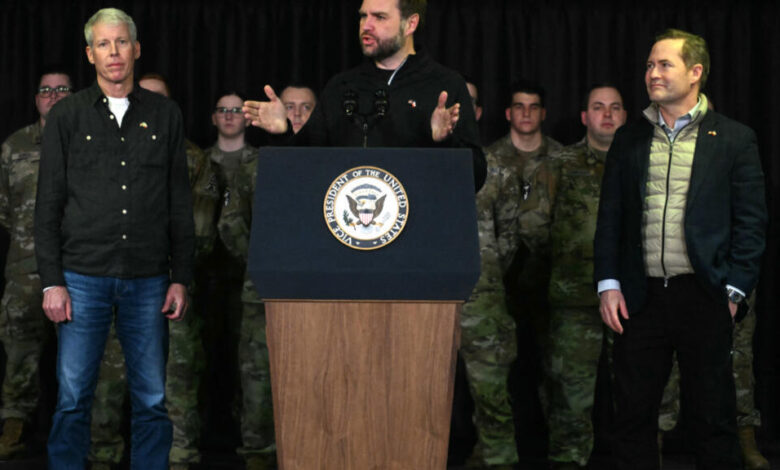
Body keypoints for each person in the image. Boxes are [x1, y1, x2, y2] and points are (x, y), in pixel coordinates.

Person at [594, 28, 766, 469]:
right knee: (632, 417)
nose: (652, 73)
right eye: (650, 65)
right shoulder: (630, 137)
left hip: (705, 294)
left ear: (695, 73)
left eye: (664, 64)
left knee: (713, 418)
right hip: (639, 297)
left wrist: (735, 290)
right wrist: (608, 283)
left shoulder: (734, 139)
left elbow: (751, 223)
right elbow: (611, 215)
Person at [34, 8, 194, 469]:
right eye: (103, 44)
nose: (114, 52)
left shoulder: (165, 114)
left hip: (148, 279)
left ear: (136, 48)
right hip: (82, 277)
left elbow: (179, 204)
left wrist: (180, 277)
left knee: (152, 399)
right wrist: (52, 282)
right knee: (72, 398)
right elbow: (48, 205)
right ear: (90, 54)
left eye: (121, 42)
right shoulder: (67, 116)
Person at [88, 73, 219, 470]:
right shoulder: (103, 149)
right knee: (106, 376)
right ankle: (102, 454)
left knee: (173, 379)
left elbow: (200, 230)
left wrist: (173, 275)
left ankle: (176, 458)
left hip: (164, 286)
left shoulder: (191, 157)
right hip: (109, 281)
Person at [242, 0, 485, 189]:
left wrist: (445, 143)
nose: (366, 26)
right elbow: (304, 170)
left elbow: (476, 177)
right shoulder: (341, 86)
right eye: (362, 16)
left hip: (419, 230)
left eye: (379, 17)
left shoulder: (445, 85)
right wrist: (282, 134)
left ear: (410, 24)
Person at [544, 84, 627, 469]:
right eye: (598, 107)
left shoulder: (642, 161)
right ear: (584, 116)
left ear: (625, 116)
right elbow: (534, 227)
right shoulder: (560, 163)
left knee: (639, 392)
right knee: (570, 397)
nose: (607, 115)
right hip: (573, 298)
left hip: (632, 299)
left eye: (614, 107)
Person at [0, 67, 72, 459]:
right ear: (36, 99)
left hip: (76, 267)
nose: (53, 95)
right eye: (46, 90)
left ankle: (78, 431)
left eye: (62, 89)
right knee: (19, 352)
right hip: (24, 270)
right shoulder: (14, 145)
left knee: (78, 357)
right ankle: (15, 423)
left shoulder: (88, 140)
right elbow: (4, 208)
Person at [203, 91, 272, 470]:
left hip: (250, 281)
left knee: (251, 366)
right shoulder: (200, 161)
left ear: (248, 118)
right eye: (222, 110)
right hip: (206, 277)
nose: (229, 116)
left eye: (236, 110)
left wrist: (254, 260)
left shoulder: (262, 161)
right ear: (213, 118)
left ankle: (253, 440)